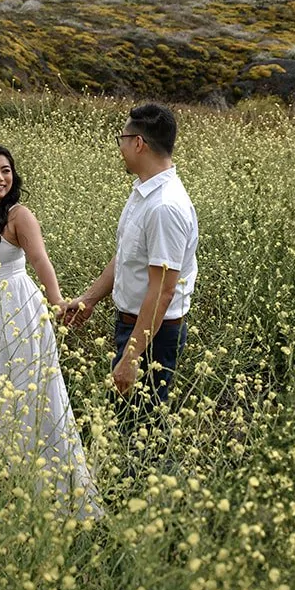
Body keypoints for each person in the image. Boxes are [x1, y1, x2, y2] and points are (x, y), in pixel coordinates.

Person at [0, 145, 103, 523]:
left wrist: (58, 302)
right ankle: (20, 491)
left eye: (6, 171)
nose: (0, 178)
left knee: (36, 401)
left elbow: (39, 260)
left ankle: (66, 498)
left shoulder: (18, 215)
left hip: (20, 314)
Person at [62, 103, 198, 469]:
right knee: (132, 424)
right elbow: (126, 258)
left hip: (153, 334)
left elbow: (163, 290)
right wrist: (89, 299)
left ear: (138, 143)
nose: (119, 147)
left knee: (144, 430)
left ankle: (152, 494)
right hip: (137, 328)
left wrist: (132, 357)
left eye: (122, 139)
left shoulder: (165, 206)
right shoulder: (144, 194)